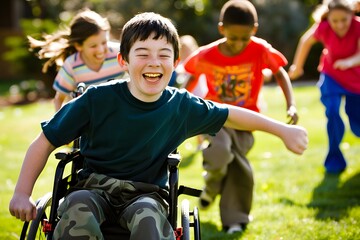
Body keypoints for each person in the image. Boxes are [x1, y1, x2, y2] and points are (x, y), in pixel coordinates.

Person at [9, 12, 308, 239]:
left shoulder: (180, 105)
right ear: (123, 60)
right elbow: (45, 140)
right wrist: (22, 193)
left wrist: (282, 130)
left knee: (148, 218)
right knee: (77, 208)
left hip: (147, 194)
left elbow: (231, 113)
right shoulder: (96, 99)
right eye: (143, 54)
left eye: (164, 55)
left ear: (175, 62)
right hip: (92, 186)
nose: (154, 62)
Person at [182, 0, 299, 234]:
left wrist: (292, 104)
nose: (239, 44)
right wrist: (182, 104)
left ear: (254, 30)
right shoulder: (207, 54)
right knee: (221, 150)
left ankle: (234, 220)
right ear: (221, 29)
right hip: (215, 117)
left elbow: (280, 73)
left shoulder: (260, 49)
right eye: (233, 38)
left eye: (245, 38)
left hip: (246, 120)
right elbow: (191, 78)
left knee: (238, 167)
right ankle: (212, 184)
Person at [288, 0, 360, 174]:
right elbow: (306, 41)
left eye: (344, 20)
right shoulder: (323, 27)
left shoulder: (358, 27)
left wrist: (348, 62)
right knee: (333, 112)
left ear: (352, 15)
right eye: (335, 20)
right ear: (328, 17)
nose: (340, 25)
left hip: (355, 80)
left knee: (357, 125)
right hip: (331, 76)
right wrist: (297, 66)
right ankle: (334, 161)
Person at [28, 8, 127, 111]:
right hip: (87, 120)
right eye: (93, 46)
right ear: (78, 46)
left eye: (104, 42)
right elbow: (59, 99)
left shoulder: (119, 54)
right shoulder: (72, 65)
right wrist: (60, 125)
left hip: (117, 115)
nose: (100, 50)